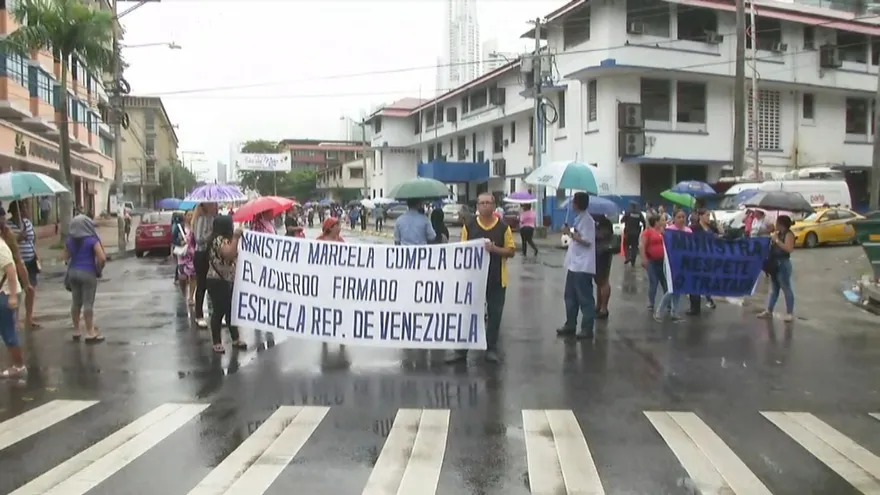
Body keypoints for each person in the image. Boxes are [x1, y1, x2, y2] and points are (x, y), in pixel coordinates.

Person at [447, 192, 515, 364]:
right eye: (482, 203)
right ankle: (461, 351)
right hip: (473, 280)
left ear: (494, 205)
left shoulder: (503, 227)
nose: (485, 205)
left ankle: (491, 349)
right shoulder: (469, 226)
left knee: (494, 315)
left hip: (497, 279)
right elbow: (462, 250)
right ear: (477, 206)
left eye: (488, 202)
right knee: (468, 314)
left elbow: (511, 251)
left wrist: (494, 249)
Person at [556, 192, 597, 339]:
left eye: (574, 202)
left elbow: (587, 241)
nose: (572, 204)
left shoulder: (588, 221)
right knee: (570, 297)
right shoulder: (578, 219)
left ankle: (587, 328)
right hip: (574, 265)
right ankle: (570, 324)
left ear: (578, 204)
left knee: (585, 298)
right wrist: (571, 231)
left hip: (583, 266)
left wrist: (570, 234)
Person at [205, 216, 246, 353]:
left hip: (229, 280)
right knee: (219, 311)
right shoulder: (218, 240)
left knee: (231, 310)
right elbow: (229, 254)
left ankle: (235, 338)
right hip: (217, 280)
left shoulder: (226, 240)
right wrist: (235, 238)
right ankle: (216, 341)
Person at [64, 214, 106, 342]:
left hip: (73, 273)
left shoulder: (70, 240)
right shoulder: (92, 240)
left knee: (76, 302)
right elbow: (102, 258)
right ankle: (90, 332)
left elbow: (65, 257)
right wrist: (99, 268)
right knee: (88, 303)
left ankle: (76, 331)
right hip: (87, 272)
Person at [654, 208, 691, 322]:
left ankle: (674, 312)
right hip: (670, 264)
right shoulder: (669, 230)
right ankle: (659, 311)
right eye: (678, 217)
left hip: (683, 263)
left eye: (683, 217)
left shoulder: (688, 231)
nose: (681, 219)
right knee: (671, 288)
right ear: (674, 218)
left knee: (678, 289)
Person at [7, 201, 39, 330]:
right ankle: (15, 320)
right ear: (16, 210)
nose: (27, 209)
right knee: (17, 291)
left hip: (30, 261)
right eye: (24, 207)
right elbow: (7, 242)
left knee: (30, 290)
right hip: (17, 262)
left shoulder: (28, 223)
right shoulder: (8, 226)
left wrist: (35, 252)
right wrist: (19, 237)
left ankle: (29, 318)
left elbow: (33, 239)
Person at [759, 215, 795, 321]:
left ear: (781, 224)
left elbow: (789, 249)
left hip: (783, 263)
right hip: (774, 263)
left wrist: (777, 241)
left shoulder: (789, 234)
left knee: (786, 287)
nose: (775, 224)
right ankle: (769, 311)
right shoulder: (778, 234)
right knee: (774, 289)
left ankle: (789, 313)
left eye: (777, 222)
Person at [0, 211, 23, 377]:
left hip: (5, 294)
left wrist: (13, 296)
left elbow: (11, 271)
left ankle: (19, 366)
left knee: (8, 331)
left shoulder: (1, 247)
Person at [687, 208, 719, 315]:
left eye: (709, 215)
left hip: (708, 259)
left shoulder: (710, 227)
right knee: (694, 282)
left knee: (704, 281)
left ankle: (707, 301)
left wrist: (715, 218)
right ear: (700, 216)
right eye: (707, 215)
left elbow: (722, 232)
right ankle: (694, 307)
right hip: (697, 258)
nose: (708, 217)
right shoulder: (694, 228)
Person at [192, 202, 218, 329]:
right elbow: (198, 238)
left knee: (213, 285)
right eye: (213, 204)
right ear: (206, 206)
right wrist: (212, 234)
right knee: (201, 285)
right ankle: (199, 315)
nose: (215, 206)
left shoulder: (213, 218)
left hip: (212, 254)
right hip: (201, 254)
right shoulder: (201, 219)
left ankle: (216, 315)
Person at [640, 215, 667, 311]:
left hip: (662, 261)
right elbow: (642, 246)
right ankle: (651, 303)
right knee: (654, 282)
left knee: (665, 282)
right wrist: (644, 259)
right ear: (656, 222)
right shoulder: (647, 232)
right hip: (651, 261)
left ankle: (667, 303)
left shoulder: (662, 232)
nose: (663, 222)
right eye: (661, 220)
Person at [594, 214, 615, 319]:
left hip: (603, 253)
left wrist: (594, 234)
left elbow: (604, 235)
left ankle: (603, 308)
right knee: (599, 281)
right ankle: (599, 305)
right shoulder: (597, 220)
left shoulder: (605, 223)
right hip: (597, 253)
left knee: (604, 281)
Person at [174, 211, 197, 307]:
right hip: (182, 255)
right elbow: (173, 238)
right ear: (185, 216)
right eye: (189, 215)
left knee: (193, 276)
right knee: (182, 277)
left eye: (192, 215)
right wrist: (180, 242)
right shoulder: (179, 227)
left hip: (193, 254)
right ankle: (184, 293)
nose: (190, 217)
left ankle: (191, 297)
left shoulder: (196, 227)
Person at [621, 201, 645, 266]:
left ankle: (628, 257)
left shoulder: (628, 213)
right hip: (636, 233)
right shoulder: (639, 214)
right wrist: (644, 230)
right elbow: (644, 222)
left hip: (628, 232)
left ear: (631, 206)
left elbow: (622, 220)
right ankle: (633, 261)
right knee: (634, 247)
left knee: (626, 245)